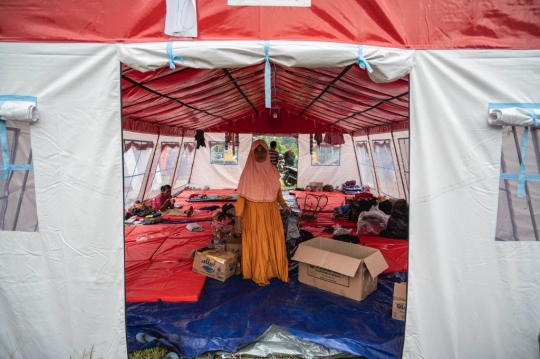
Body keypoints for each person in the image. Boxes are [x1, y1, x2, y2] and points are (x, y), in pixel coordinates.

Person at [235, 140, 291, 286]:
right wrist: (238, 220)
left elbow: (277, 192)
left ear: (267, 152)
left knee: (272, 240)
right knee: (259, 242)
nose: (260, 154)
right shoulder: (247, 172)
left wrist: (284, 205)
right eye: (256, 151)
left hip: (271, 212)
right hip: (254, 214)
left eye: (263, 151)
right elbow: (241, 199)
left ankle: (273, 270)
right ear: (252, 153)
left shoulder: (272, 170)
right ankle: (259, 273)